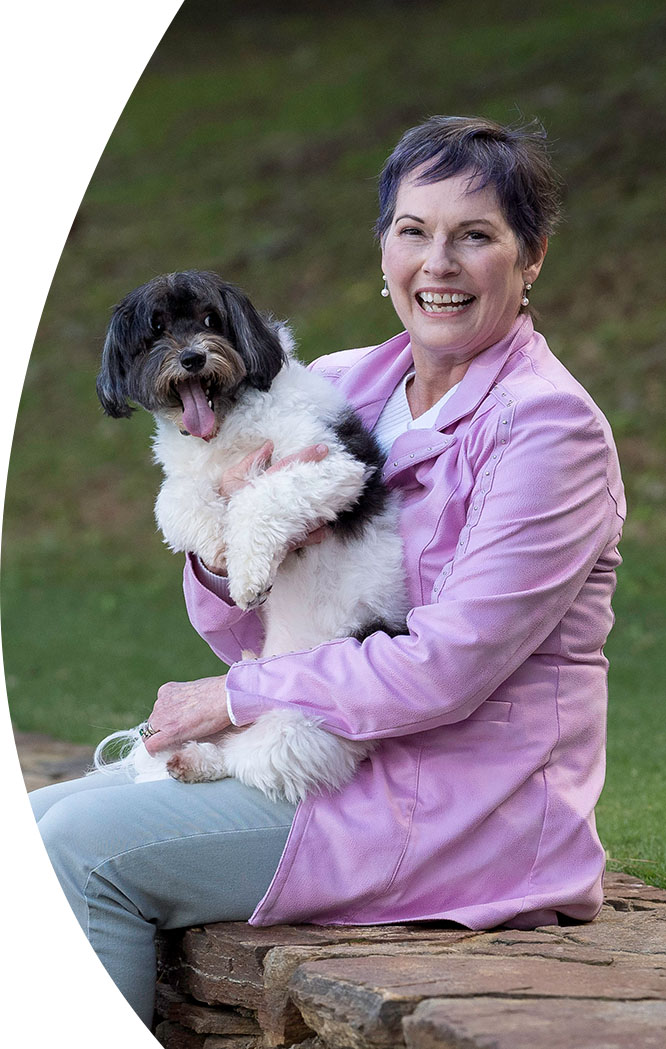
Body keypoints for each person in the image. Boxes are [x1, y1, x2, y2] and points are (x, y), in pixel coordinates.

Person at [30, 115, 625, 1026]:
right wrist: (223, 540)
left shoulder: (551, 431)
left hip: (457, 811)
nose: (440, 263)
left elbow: (450, 666)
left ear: (532, 256)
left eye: (476, 235)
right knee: (29, 832)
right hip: (318, 757)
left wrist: (234, 700)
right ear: (383, 246)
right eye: (414, 231)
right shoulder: (341, 384)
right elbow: (241, 620)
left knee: (78, 850)